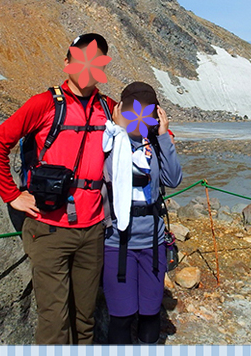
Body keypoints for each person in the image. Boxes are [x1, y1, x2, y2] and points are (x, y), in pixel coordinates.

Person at [0, 33, 116, 345]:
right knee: (54, 322)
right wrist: (13, 195)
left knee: (85, 318)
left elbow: (144, 133)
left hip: (93, 229)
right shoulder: (43, 104)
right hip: (48, 229)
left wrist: (163, 134)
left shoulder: (109, 109)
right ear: (67, 62)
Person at [101, 82, 182, 345]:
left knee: (149, 314)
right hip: (117, 242)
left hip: (153, 242)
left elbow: (173, 178)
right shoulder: (109, 141)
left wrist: (163, 135)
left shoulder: (156, 144)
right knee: (121, 317)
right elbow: (108, 176)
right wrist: (117, 129)